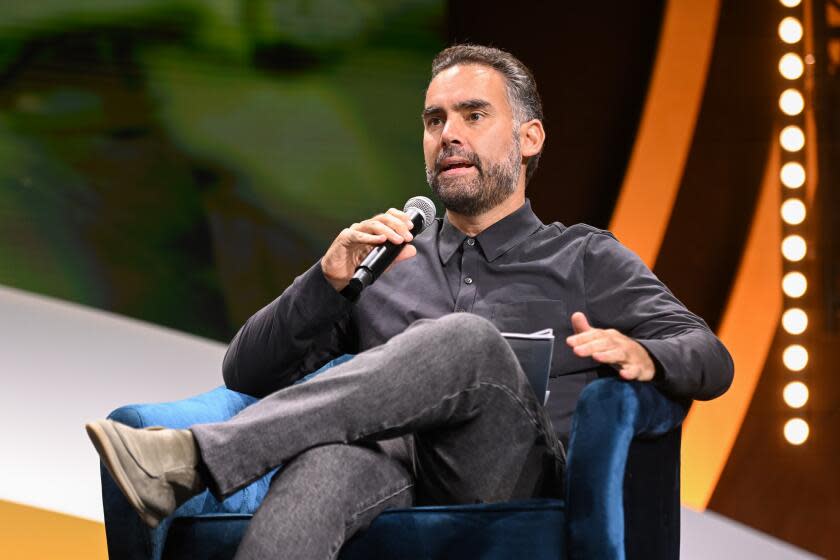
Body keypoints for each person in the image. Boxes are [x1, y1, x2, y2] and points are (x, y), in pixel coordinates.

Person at [86, 44, 734, 559]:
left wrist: (646, 353)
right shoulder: (385, 261)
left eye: (473, 115)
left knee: (465, 339)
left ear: (529, 138)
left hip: (511, 475)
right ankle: (197, 461)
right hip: (392, 476)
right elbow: (247, 373)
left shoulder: (585, 257)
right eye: (434, 120)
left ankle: (195, 459)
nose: (448, 134)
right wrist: (326, 282)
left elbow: (711, 355)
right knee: (327, 464)